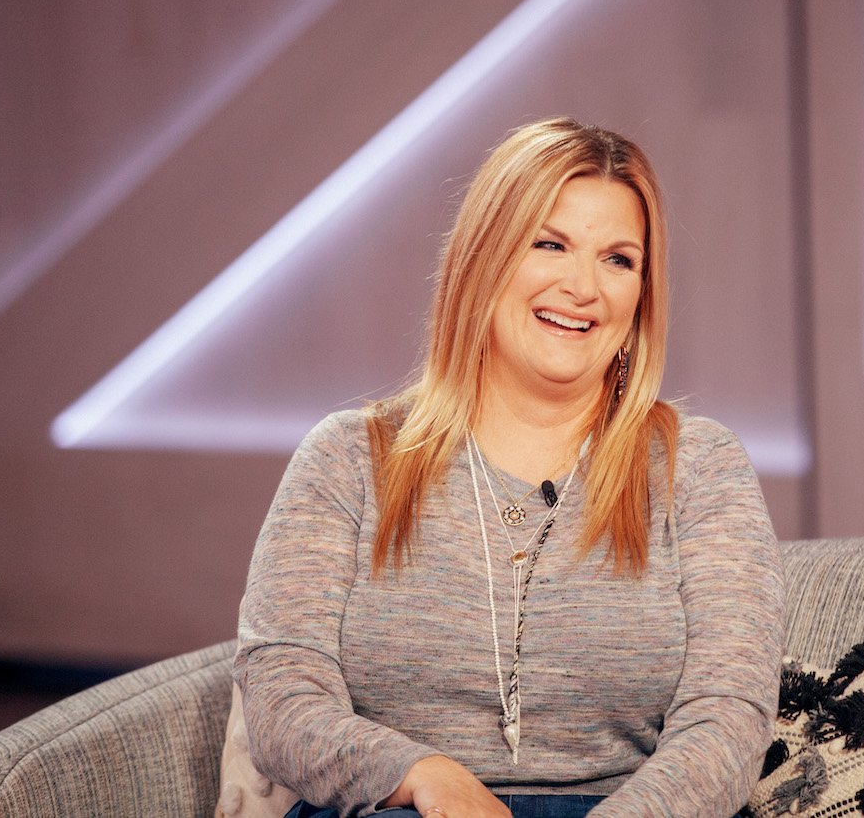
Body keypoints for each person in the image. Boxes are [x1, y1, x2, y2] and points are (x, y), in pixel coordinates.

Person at [234, 117, 786, 818]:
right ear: (483, 258)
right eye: (549, 244)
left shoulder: (698, 467)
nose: (583, 286)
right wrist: (424, 774)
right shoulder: (349, 458)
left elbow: (727, 718)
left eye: (618, 259)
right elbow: (282, 692)